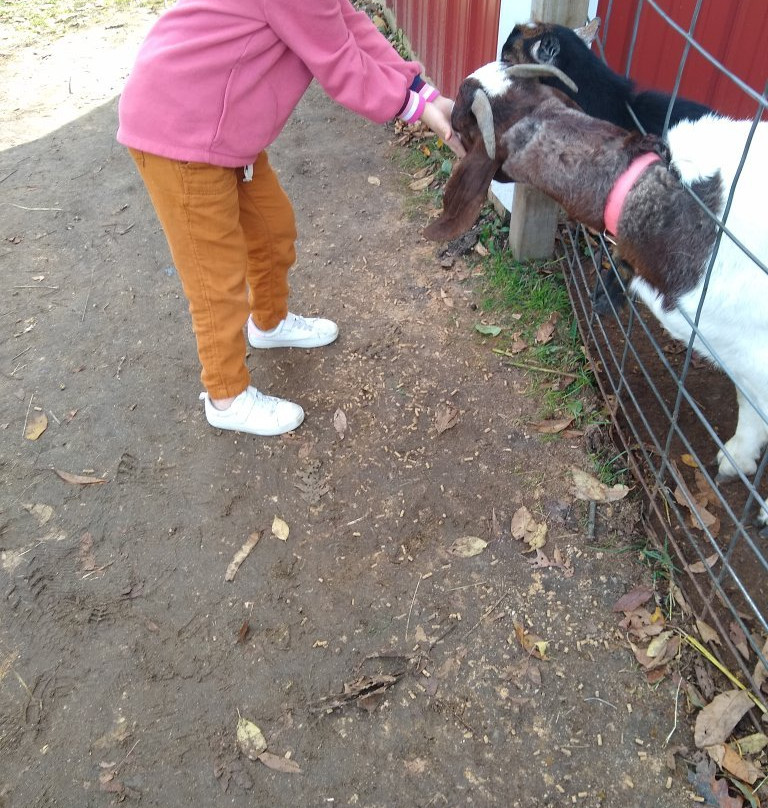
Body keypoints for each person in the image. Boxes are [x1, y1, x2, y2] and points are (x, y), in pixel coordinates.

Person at [117, 0, 465, 436]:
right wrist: (415, 108)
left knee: (271, 228)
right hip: (181, 132)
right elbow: (338, 60)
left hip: (223, 132)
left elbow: (349, 25)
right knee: (215, 279)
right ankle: (226, 397)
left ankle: (269, 321)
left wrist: (424, 92)